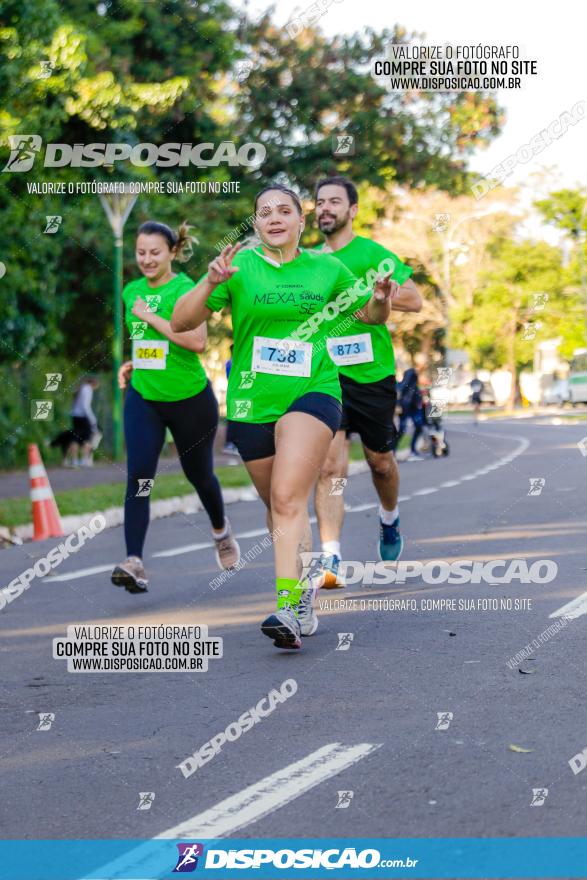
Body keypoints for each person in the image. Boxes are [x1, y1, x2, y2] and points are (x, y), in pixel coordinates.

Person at [171, 184, 399, 650]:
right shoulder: (238, 268)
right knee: (280, 508)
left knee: (287, 496)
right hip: (253, 400)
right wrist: (210, 282)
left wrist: (380, 297)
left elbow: (372, 315)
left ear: (300, 219)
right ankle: (303, 595)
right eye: (263, 212)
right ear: (256, 224)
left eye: (283, 210)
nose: (273, 218)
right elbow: (180, 321)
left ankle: (285, 606)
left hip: (313, 391)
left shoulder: (325, 267)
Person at [111, 220, 240, 594]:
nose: (147, 260)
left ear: (171, 252)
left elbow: (197, 341)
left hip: (189, 401)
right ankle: (134, 561)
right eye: (140, 253)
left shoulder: (185, 288)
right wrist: (134, 362)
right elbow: (149, 345)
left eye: (155, 252)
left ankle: (221, 530)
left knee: (199, 476)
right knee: (139, 476)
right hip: (145, 397)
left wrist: (151, 317)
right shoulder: (131, 290)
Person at [312, 177, 422, 586]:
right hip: (327, 374)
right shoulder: (311, 261)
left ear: (353, 210)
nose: (325, 208)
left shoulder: (373, 254)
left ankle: (389, 518)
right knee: (330, 468)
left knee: (381, 462)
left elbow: (414, 299)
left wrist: (373, 295)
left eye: (334, 202)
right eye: (320, 202)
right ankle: (330, 559)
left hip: (372, 374)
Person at [397, 368, 425, 460]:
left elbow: (418, 399)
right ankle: (393, 451)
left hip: (413, 409)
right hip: (405, 409)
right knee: (402, 430)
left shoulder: (414, 387)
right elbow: (398, 395)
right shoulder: (401, 387)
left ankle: (412, 450)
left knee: (418, 426)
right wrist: (398, 405)